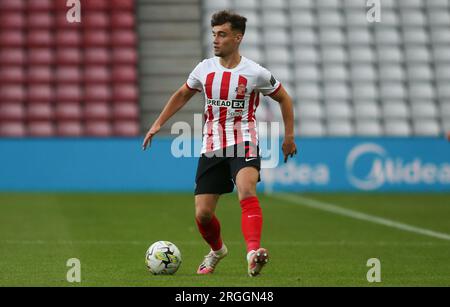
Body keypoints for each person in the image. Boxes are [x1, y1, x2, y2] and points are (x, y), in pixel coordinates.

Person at [142, 10, 297, 277]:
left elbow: (284, 98)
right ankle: (217, 251)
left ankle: (253, 253)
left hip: (244, 141)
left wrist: (289, 136)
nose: (216, 40)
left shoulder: (255, 73)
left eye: (222, 35)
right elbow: (182, 94)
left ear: (237, 38)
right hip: (211, 146)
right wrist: (158, 122)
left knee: (247, 191)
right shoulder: (204, 69)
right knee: (202, 215)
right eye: (214, 34)